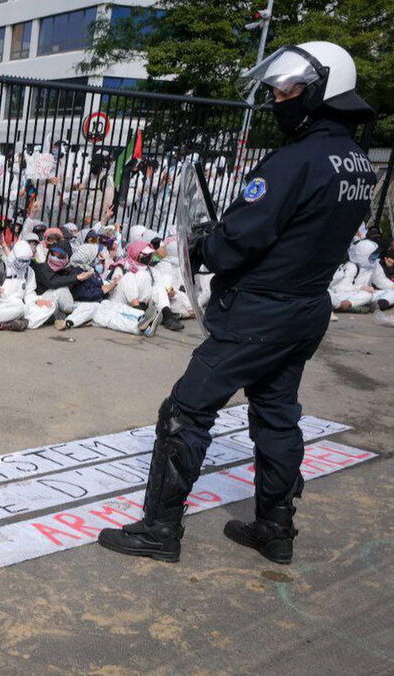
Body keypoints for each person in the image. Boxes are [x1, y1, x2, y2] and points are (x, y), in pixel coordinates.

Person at [98, 41, 378, 564]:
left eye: (288, 91)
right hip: (306, 307)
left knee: (185, 411)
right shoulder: (357, 163)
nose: (277, 99)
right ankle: (275, 528)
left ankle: (160, 529)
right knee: (276, 415)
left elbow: (239, 240)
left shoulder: (293, 161)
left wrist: (203, 246)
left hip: (258, 311)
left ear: (321, 93)